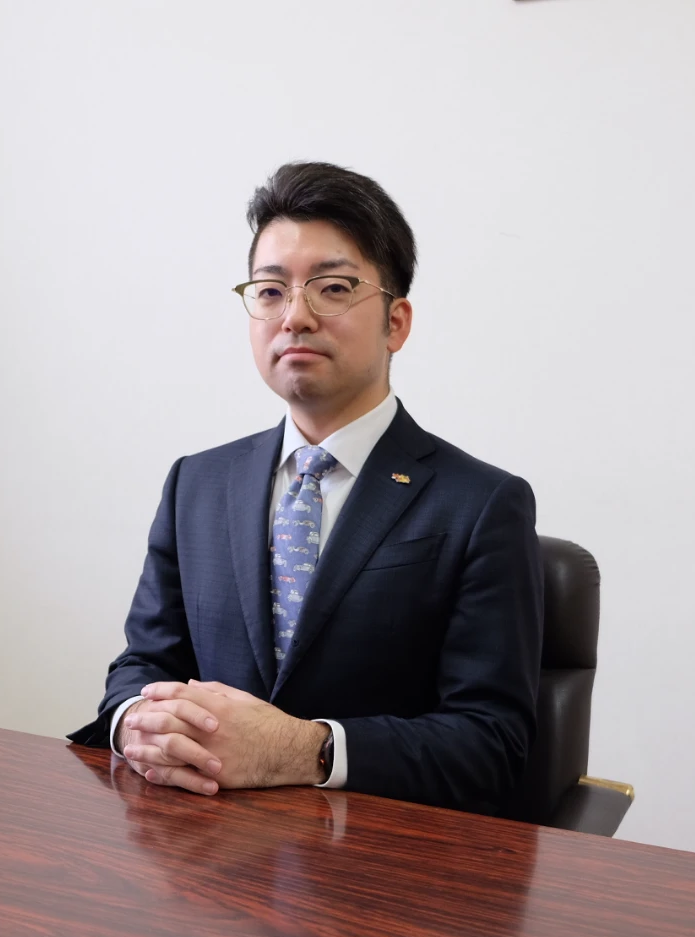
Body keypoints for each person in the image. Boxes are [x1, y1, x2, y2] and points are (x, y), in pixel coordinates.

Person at [68, 162, 543, 815]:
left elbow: (491, 745)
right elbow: (142, 668)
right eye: (270, 291)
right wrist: (133, 724)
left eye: (333, 287)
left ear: (396, 322)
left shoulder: (481, 505)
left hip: (378, 859)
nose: (294, 316)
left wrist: (302, 750)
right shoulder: (196, 485)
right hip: (202, 854)